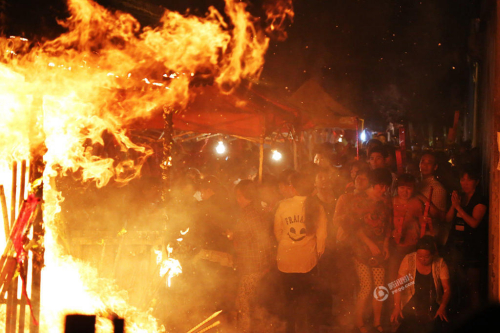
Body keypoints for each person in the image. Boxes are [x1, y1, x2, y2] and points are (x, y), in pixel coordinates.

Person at [337, 168, 392, 333]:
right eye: (380, 187)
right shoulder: (359, 200)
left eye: (385, 187)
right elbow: (354, 226)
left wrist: (386, 245)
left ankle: (377, 322)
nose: (383, 190)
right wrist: (370, 244)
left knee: (379, 287)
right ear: (373, 184)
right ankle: (359, 322)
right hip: (361, 249)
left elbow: (388, 225)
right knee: (366, 286)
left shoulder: (385, 201)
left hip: (380, 249)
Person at [274, 172, 327, 333]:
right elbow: (322, 237)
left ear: (294, 188)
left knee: (289, 301)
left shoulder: (283, 205)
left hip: (285, 261)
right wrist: (316, 255)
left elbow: (278, 231)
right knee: (306, 302)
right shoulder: (317, 206)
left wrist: (287, 246)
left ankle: (290, 328)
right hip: (307, 262)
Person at [231, 180, 273, 332]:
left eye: (240, 196)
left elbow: (260, 240)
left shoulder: (250, 214)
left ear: (248, 196)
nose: (238, 200)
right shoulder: (257, 211)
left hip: (253, 265)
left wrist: (234, 237)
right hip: (257, 265)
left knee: (244, 303)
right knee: (252, 303)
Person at [444, 165, 487, 311]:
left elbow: (474, 223)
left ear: (477, 181)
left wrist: (458, 208)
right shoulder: (459, 197)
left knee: (472, 285)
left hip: (472, 246)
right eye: (463, 179)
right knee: (455, 281)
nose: (465, 183)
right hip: (456, 246)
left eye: (469, 180)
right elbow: (448, 219)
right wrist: (453, 205)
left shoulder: (480, 200)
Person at [391, 236, 451, 333]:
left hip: (432, 302)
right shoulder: (408, 259)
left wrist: (442, 307)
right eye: (419, 256)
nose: (422, 259)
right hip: (412, 300)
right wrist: (397, 306)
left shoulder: (440, 263)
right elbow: (398, 285)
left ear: (432, 254)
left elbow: (447, 289)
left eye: (426, 257)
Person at [389, 174, 425, 283]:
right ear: (397, 188)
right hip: (395, 247)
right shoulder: (391, 202)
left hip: (412, 247)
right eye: (402, 188)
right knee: (393, 278)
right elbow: (386, 224)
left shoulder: (417, 203)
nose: (405, 192)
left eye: (409, 188)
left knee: (408, 278)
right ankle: (394, 299)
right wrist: (392, 233)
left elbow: (422, 225)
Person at [416, 152, 448, 246]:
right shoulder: (417, 184)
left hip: (429, 235)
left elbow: (440, 216)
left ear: (435, 167)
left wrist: (420, 197)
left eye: (429, 163)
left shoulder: (437, 188)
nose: (425, 165)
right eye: (423, 162)